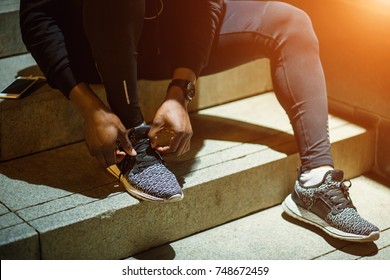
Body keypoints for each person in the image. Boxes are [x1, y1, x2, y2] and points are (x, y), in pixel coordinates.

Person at [19, 0, 379, 242]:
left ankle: (314, 183)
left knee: (291, 21)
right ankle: (135, 138)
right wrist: (91, 109)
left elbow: (208, 4)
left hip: (167, 40)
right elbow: (38, 19)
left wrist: (180, 91)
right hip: (96, 42)